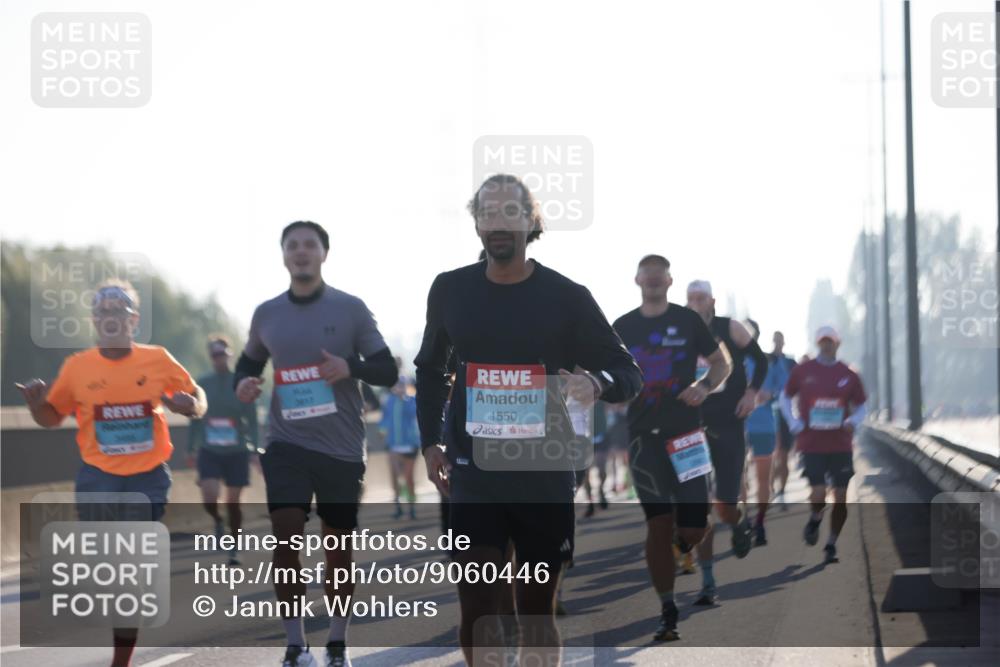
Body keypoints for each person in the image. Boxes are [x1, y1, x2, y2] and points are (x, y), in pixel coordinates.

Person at [415, 174, 642, 664]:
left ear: (530, 221)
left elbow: (628, 370)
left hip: (544, 472)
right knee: (477, 604)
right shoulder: (451, 290)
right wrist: (430, 443)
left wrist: (597, 382)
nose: (498, 223)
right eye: (488, 213)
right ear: (476, 223)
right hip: (474, 473)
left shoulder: (567, 296)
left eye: (509, 212)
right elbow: (430, 369)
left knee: (535, 607)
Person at [17, 280, 207, 667]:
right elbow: (50, 418)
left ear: (133, 320)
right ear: (94, 320)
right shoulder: (78, 367)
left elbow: (198, 400)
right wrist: (37, 405)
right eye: (103, 311)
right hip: (97, 476)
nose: (110, 318)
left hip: (148, 476)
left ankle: (120, 661)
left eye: (118, 311)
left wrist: (190, 405)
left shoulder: (157, 360)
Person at [234, 221, 398, 667]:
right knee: (285, 535)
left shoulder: (351, 309)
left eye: (310, 245)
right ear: (283, 256)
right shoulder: (267, 313)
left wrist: (350, 367)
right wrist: (245, 385)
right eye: (293, 246)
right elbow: (247, 363)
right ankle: (294, 643)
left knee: (337, 548)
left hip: (342, 448)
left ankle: (338, 641)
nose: (301, 252)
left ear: (324, 254)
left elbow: (387, 370)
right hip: (286, 442)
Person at [613, 255, 731, 641]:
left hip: (686, 435)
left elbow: (720, 363)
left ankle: (686, 545)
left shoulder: (687, 320)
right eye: (646, 274)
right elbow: (604, 374)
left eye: (658, 274)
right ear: (636, 280)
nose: (652, 279)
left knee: (694, 527)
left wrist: (704, 386)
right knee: (657, 525)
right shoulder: (622, 326)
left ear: (668, 280)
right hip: (643, 437)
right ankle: (668, 607)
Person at [686, 280, 768, 606]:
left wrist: (751, 394)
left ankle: (738, 521)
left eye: (701, 297)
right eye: (690, 298)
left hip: (729, 420)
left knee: (724, 503)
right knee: (699, 504)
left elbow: (760, 361)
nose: (695, 302)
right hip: (691, 423)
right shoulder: (678, 332)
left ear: (712, 301)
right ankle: (707, 581)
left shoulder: (729, 328)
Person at [780, 326, 867, 564]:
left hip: (840, 443)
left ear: (837, 344)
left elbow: (862, 406)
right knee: (818, 493)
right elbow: (785, 396)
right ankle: (816, 517)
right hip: (812, 443)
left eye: (830, 342)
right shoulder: (803, 371)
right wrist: (793, 421)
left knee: (840, 496)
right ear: (818, 343)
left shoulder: (849, 373)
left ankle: (831, 544)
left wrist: (852, 420)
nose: (826, 345)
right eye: (822, 342)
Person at [187, 335, 259, 565]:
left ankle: (235, 547)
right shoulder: (202, 383)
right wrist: (191, 448)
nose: (219, 359)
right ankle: (217, 520)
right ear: (211, 357)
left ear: (229, 355)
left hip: (237, 450)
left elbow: (253, 419)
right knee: (209, 494)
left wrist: (255, 449)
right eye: (215, 355)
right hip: (210, 449)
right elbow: (194, 418)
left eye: (223, 354)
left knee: (233, 502)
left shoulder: (240, 382)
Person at [741, 320, 784, 546]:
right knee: (740, 479)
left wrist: (771, 394)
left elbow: (784, 388)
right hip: (737, 425)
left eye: (750, 331)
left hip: (764, 426)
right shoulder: (731, 358)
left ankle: (759, 522)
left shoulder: (769, 360)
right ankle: (744, 519)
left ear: (757, 334)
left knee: (762, 478)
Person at [379, 364, 420, 519]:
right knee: (396, 477)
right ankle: (398, 507)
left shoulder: (412, 400)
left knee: (408, 478)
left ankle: (412, 507)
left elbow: (413, 415)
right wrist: (382, 431)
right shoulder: (388, 400)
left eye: (401, 384)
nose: (398, 387)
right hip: (393, 444)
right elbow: (384, 419)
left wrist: (404, 398)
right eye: (396, 384)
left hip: (410, 444)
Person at [767, 331, 797, 507]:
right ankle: (770, 488)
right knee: (772, 456)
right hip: (768, 414)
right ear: (773, 341)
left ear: (784, 342)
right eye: (775, 339)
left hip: (786, 415)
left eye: (780, 340)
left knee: (784, 456)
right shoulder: (766, 360)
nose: (778, 342)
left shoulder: (791, 363)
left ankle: (782, 491)